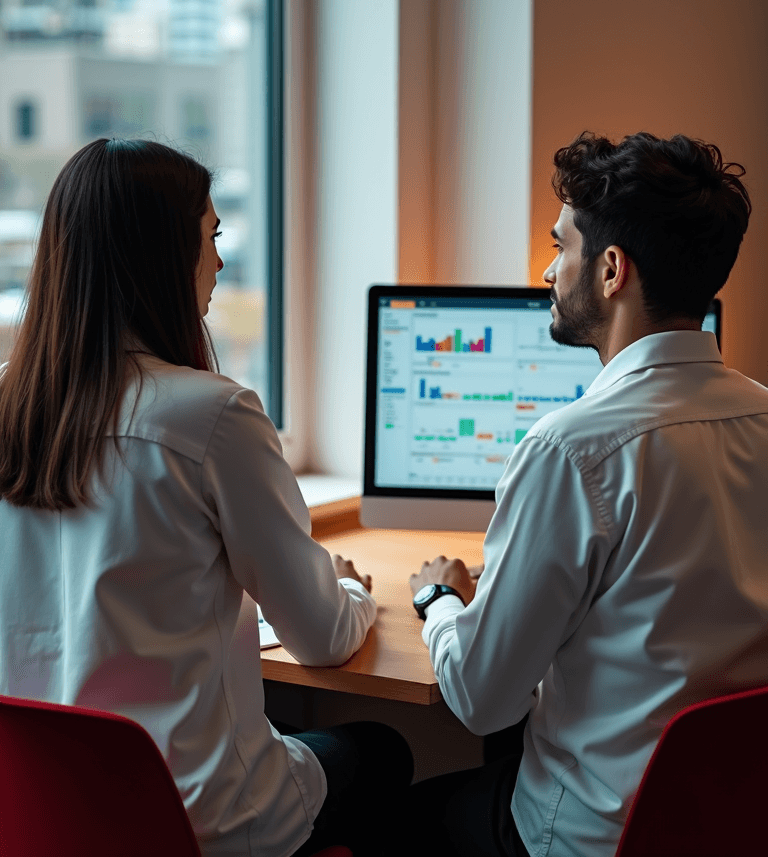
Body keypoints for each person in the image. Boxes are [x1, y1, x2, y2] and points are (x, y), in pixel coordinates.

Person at [0, 138, 413, 857]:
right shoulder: (210, 414)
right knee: (384, 749)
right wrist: (353, 594)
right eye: (211, 235)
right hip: (205, 827)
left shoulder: (12, 400)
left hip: (45, 816)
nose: (219, 262)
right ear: (162, 254)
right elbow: (322, 636)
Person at [402, 131, 768, 857]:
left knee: (389, 811)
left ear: (609, 270)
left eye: (558, 244)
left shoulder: (573, 450)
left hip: (587, 836)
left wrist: (439, 602)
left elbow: (480, 701)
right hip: (734, 823)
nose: (547, 267)